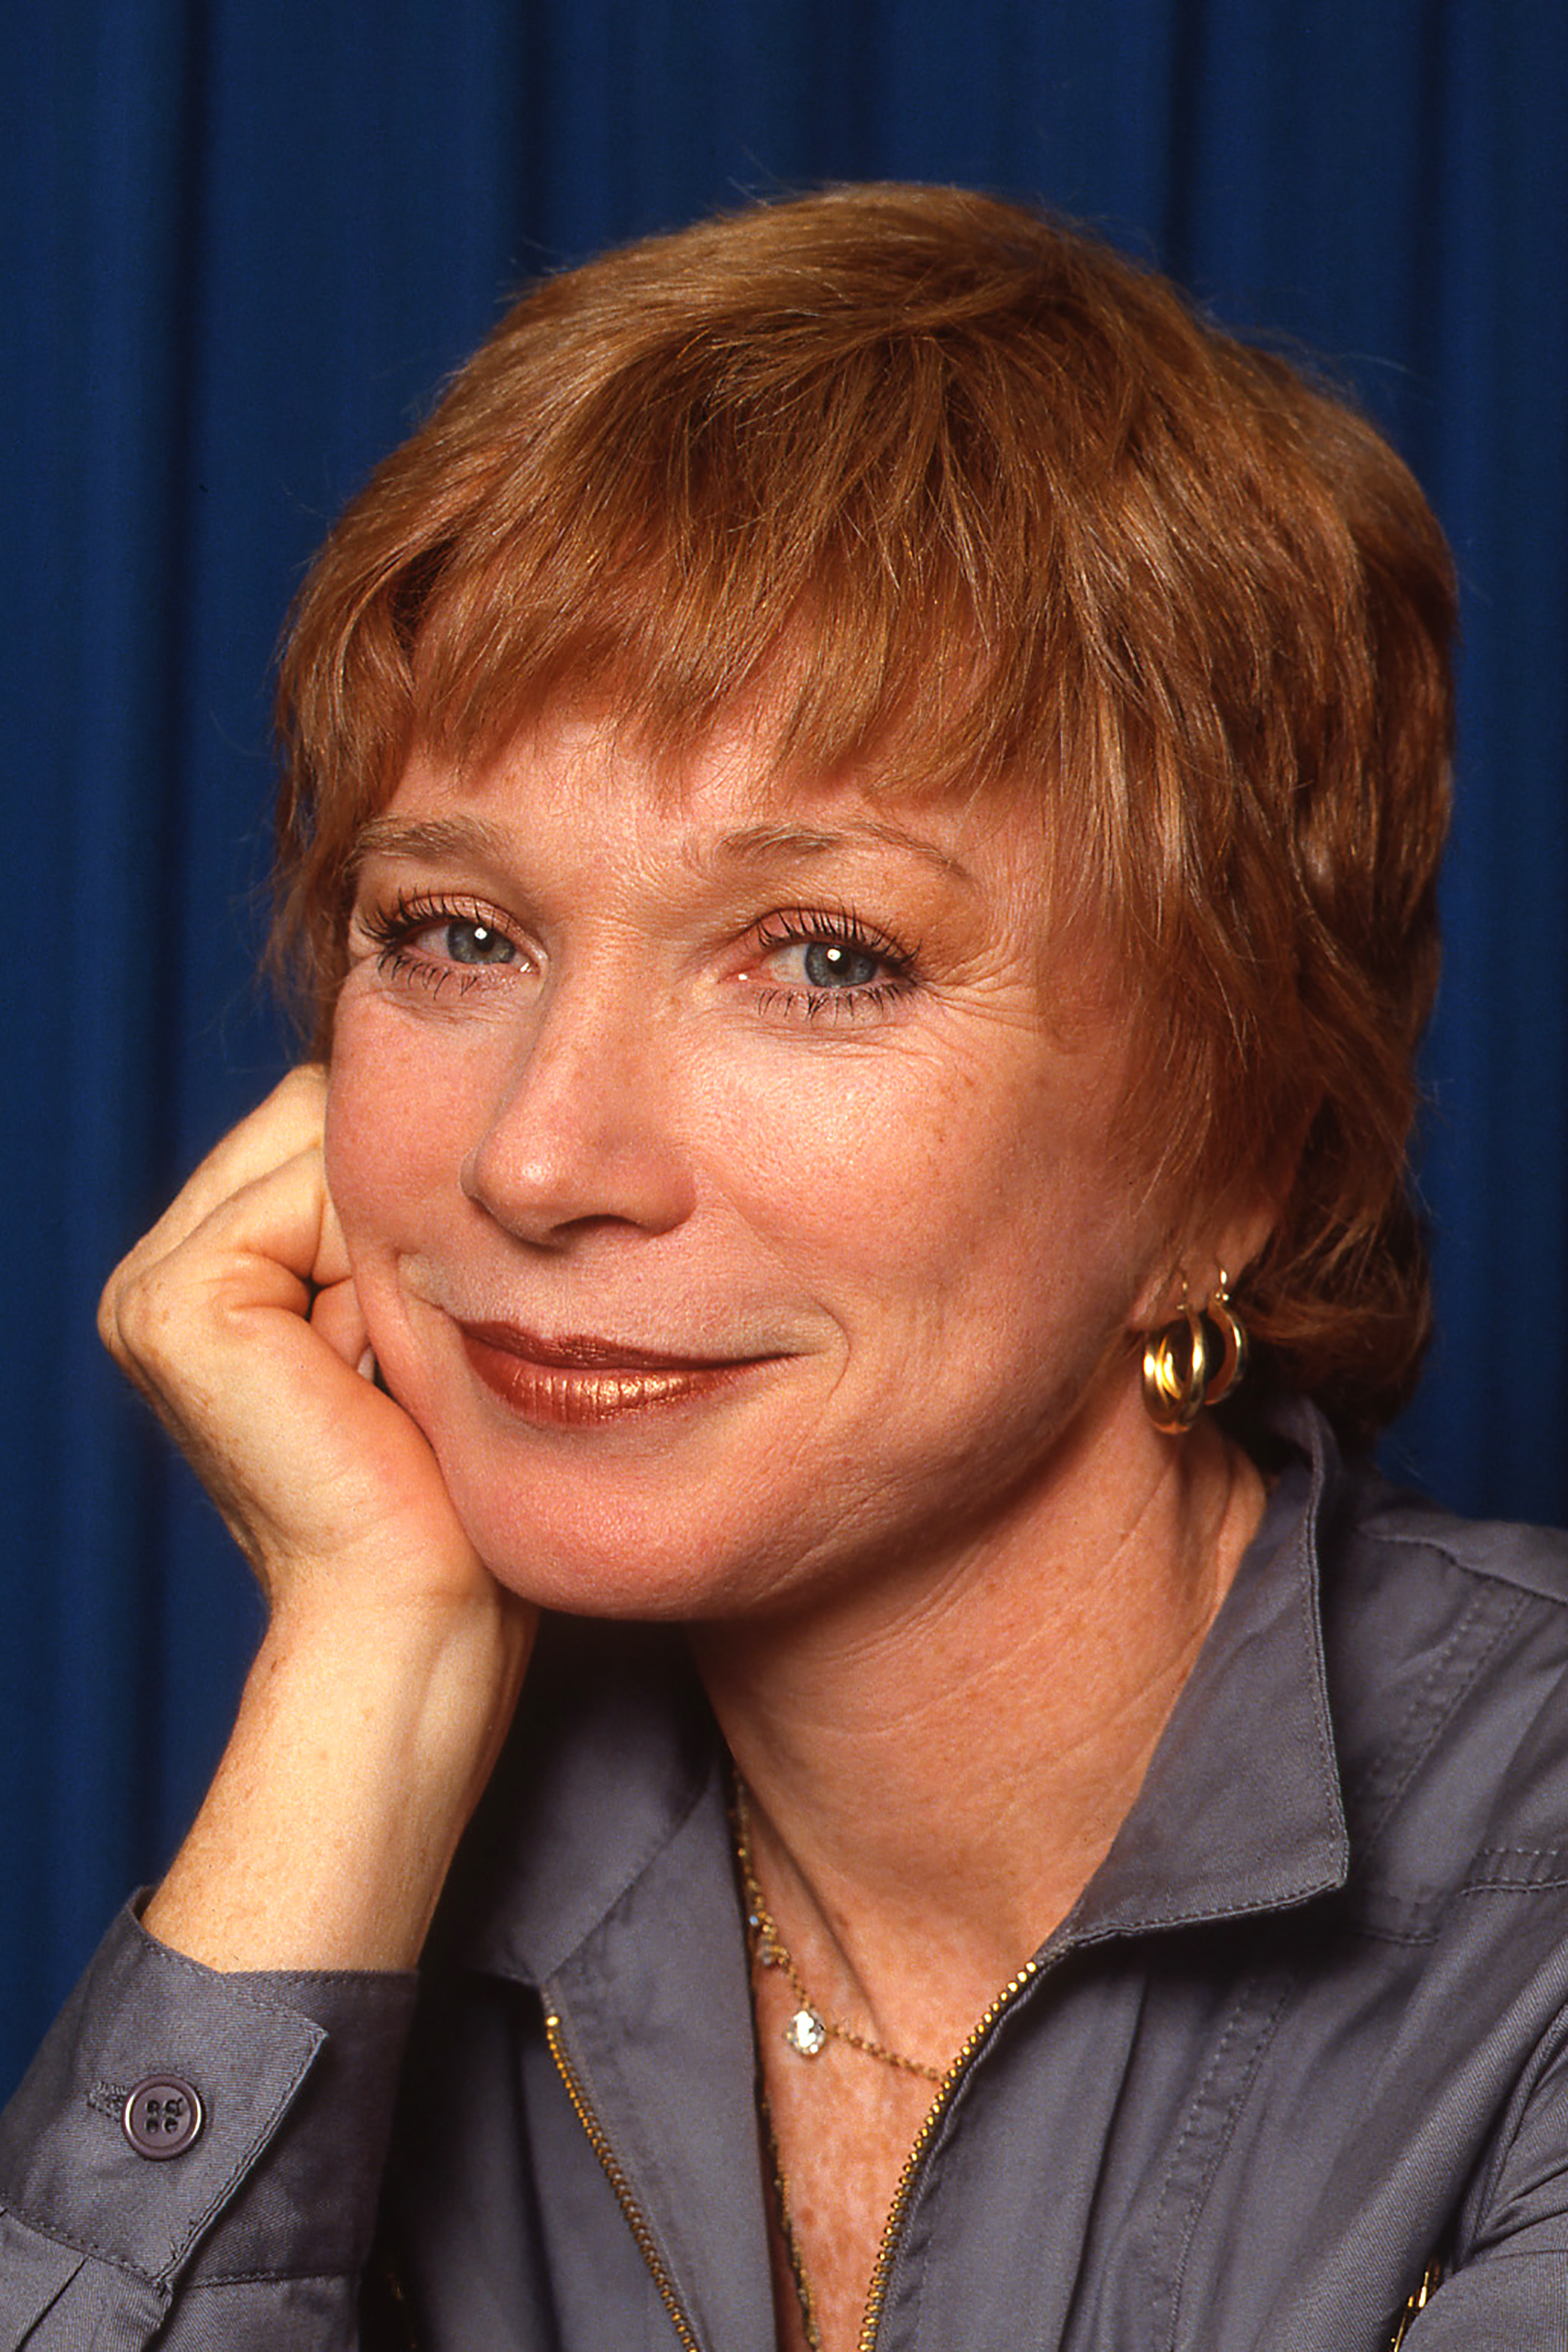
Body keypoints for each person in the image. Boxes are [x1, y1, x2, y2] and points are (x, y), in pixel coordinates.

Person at [1, 182, 1563, 2352]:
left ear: (1245, 1147)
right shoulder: (386, 1873)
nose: (542, 1156)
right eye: (457, 934)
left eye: (825, 960)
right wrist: (366, 1671)